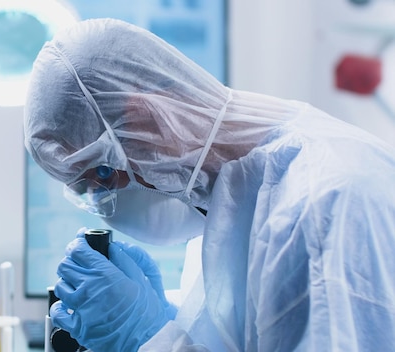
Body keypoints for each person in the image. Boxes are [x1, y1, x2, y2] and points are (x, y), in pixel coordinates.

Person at [23, 18, 395, 351]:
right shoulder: (231, 202)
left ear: (150, 118)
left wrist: (145, 337)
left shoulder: (322, 202)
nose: (107, 205)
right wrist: (176, 325)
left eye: (103, 177)